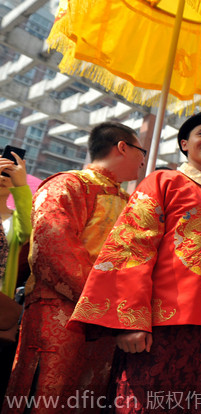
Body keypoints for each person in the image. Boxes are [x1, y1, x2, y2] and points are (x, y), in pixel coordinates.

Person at [68, 111, 201, 414]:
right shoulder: (162, 181)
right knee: (143, 405)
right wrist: (130, 321)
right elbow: (132, 249)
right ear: (184, 143)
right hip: (160, 326)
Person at [4, 122, 144, 414]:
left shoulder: (129, 202)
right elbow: (52, 249)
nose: (144, 159)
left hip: (106, 324)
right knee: (46, 397)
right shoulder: (68, 184)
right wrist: (105, 303)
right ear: (122, 147)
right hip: (61, 315)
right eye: (141, 151)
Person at [0, 150, 32, 298]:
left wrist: (21, 185)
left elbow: (26, 233)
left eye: (8, 172)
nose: (2, 177)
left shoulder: (16, 219)